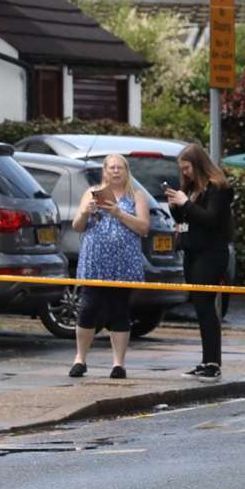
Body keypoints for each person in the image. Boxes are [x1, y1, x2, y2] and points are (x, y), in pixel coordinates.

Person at [69, 153, 150, 379]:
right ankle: (80, 359)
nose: (115, 171)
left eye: (120, 168)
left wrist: (119, 213)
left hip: (122, 263)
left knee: (118, 310)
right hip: (95, 262)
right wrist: (86, 211)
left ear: (126, 171)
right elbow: (77, 226)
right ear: (104, 171)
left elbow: (144, 228)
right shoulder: (91, 192)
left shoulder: (137, 195)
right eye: (111, 167)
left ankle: (118, 364)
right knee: (88, 308)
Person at [164, 144, 233, 379]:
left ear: (199, 164)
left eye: (188, 168)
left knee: (206, 306)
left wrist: (186, 204)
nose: (185, 174)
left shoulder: (218, 188)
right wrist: (176, 207)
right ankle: (206, 361)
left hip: (211, 253)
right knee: (200, 307)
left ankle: (213, 363)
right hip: (192, 251)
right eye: (182, 170)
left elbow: (211, 219)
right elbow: (186, 218)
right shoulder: (192, 188)